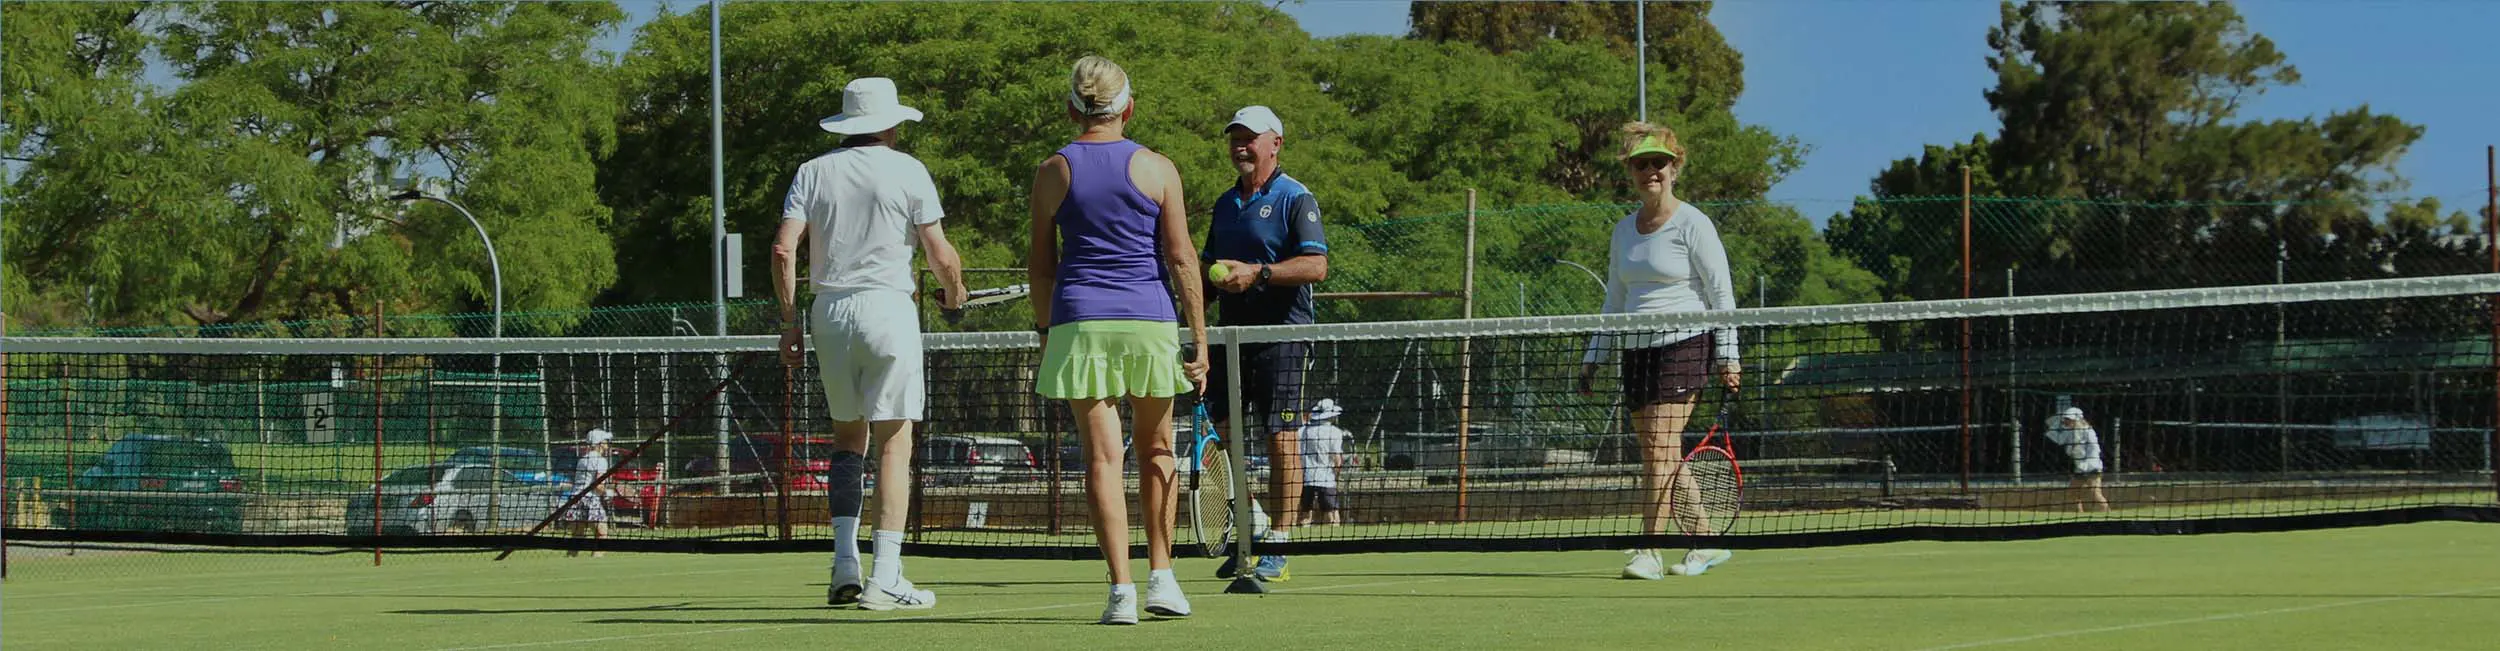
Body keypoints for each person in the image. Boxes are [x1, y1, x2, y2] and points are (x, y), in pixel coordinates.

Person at [772, 75, 967, 611]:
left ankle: (843, 566)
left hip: (828, 315)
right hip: (887, 310)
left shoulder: (812, 172)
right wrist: (955, 294)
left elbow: (784, 251)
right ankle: (885, 577)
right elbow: (940, 254)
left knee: (847, 441)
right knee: (894, 444)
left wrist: (790, 323)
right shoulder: (908, 170)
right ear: (889, 124)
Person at [1028, 55, 1209, 626]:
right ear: (1127, 107)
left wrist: (1044, 332)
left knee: (1102, 459)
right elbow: (1182, 259)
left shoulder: (1052, 170)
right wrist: (1198, 340)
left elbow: (1041, 266)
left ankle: (1121, 594)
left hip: (1079, 323)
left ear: (1071, 108)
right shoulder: (1159, 168)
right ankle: (1162, 578)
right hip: (1149, 323)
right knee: (1159, 450)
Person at [1576, 121, 1740, 581]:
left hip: (1686, 345)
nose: (1651, 171)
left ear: (1675, 168)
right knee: (1657, 454)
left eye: (1659, 163)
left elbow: (1721, 295)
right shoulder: (1623, 231)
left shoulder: (1694, 224)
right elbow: (1615, 299)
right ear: (1631, 171)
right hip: (1637, 351)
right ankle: (1704, 542)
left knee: (1662, 448)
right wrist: (1595, 355)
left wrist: (1728, 356)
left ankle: (1650, 548)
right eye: (1641, 163)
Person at [1203, 104, 1329, 583]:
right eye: (1234, 137)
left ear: (1275, 143)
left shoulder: (1297, 198)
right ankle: (1252, 524)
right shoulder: (1223, 203)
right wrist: (1185, 315)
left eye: (1250, 137)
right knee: (1221, 437)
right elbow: (1208, 269)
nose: (1240, 145)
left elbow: (1316, 267)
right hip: (1230, 341)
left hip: (1284, 337)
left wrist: (1259, 273)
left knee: (1281, 439)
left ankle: (1278, 543)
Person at [2047, 407, 2112, 513]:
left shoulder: (2088, 431)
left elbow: (2095, 449)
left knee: (2095, 494)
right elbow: (2060, 440)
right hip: (2080, 469)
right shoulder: (2071, 432)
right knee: (2073, 493)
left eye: (2069, 419)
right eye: (2066, 419)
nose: (2066, 422)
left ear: (2077, 419)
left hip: (2092, 468)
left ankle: (2108, 514)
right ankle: (2080, 515)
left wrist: (2090, 464)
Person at [1298, 399, 1351, 526]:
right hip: (1326, 479)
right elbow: (1337, 460)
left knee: (1305, 517)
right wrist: (1336, 477)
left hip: (1306, 478)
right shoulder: (1335, 432)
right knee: (1332, 517)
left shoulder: (1302, 431)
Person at [565, 429, 615, 558]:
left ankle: (570, 562)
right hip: (590, 499)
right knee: (602, 534)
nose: (607, 443)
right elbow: (597, 485)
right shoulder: (601, 461)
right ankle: (596, 562)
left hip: (575, 499)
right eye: (605, 441)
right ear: (599, 443)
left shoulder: (582, 460)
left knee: (577, 537)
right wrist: (607, 492)